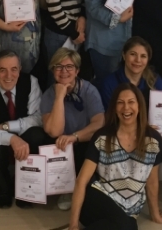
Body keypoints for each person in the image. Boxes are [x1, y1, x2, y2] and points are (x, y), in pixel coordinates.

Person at [68, 83, 162, 230]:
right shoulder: (102, 137)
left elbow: (152, 181)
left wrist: (155, 214)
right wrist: (73, 225)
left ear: (139, 106)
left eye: (131, 102)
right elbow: (82, 180)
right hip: (97, 198)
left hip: (129, 208)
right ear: (114, 107)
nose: (126, 108)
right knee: (127, 226)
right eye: (120, 103)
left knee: (124, 225)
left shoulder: (153, 140)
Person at [0, 50, 47, 209]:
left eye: (14, 69)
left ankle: (24, 184)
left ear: (20, 70)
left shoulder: (31, 82)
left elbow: (38, 118)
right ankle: (4, 184)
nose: (8, 76)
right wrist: (12, 138)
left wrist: (9, 126)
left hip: (23, 135)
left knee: (37, 135)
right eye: (2, 70)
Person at [41, 48, 105, 209]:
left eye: (69, 67)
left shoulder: (89, 91)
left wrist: (75, 136)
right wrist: (59, 96)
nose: (64, 71)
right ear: (53, 70)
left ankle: (83, 187)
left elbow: (99, 123)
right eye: (58, 66)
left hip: (83, 140)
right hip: (61, 144)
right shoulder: (48, 94)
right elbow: (54, 131)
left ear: (77, 71)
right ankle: (66, 189)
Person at [97, 37, 162, 109]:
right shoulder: (109, 83)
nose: (138, 60)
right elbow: (109, 114)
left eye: (143, 56)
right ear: (124, 55)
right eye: (133, 54)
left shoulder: (156, 82)